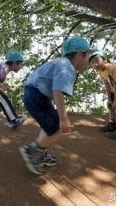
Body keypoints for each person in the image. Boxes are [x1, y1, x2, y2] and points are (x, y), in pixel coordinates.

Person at [19, 36, 91, 175]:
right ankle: (31, 151)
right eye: (88, 55)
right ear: (80, 54)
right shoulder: (67, 67)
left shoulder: (62, 63)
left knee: (50, 125)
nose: (89, 59)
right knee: (58, 128)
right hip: (36, 96)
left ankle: (41, 153)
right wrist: (63, 118)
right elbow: (57, 91)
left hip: (34, 94)